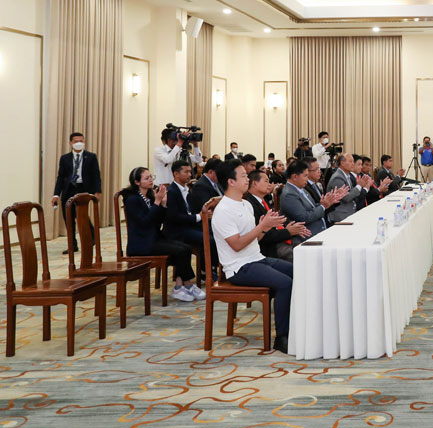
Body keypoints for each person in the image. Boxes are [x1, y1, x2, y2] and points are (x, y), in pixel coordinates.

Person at [210, 159, 294, 353]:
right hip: (239, 267)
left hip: (255, 258)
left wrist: (266, 227)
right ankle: (282, 337)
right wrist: (261, 227)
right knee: (285, 283)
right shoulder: (223, 210)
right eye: (244, 176)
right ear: (231, 182)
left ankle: (295, 325)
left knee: (298, 271)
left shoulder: (245, 205)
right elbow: (237, 245)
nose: (247, 179)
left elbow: (255, 237)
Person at [122, 167, 203, 302]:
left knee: (185, 247)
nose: (150, 180)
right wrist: (157, 202)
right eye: (146, 178)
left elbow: (158, 221)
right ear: (137, 182)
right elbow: (145, 222)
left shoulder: (149, 197)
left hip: (153, 238)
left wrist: (163, 205)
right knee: (180, 250)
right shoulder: (132, 200)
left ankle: (180, 285)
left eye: (151, 177)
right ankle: (186, 285)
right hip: (141, 244)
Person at [52, 131, 102, 254]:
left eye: (81, 141)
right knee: (68, 217)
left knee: (82, 215)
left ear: (84, 142)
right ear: (70, 143)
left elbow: (96, 175)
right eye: (76, 141)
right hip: (69, 189)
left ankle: (91, 237)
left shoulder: (91, 157)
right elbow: (60, 177)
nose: (79, 143)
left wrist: (97, 191)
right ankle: (72, 245)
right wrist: (56, 194)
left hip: (83, 188)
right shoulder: (65, 158)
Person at [246, 169, 310, 260]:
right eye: (266, 181)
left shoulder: (263, 201)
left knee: (306, 249)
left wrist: (292, 226)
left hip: (279, 240)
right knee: (302, 258)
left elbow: (277, 219)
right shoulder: (250, 205)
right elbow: (263, 236)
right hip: (268, 248)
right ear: (255, 184)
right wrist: (288, 231)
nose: (269, 185)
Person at [280, 159, 342, 237]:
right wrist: (323, 206)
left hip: (319, 229)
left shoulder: (300, 189)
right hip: (308, 235)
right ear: (295, 176)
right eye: (305, 176)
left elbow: (312, 207)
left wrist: (328, 201)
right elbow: (304, 218)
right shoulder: (289, 194)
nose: (307, 178)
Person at [327, 154, 373, 223]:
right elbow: (346, 198)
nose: (353, 164)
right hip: (341, 216)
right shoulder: (338, 177)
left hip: (349, 212)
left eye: (353, 162)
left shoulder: (346, 175)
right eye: (351, 161)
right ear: (342, 163)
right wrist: (359, 186)